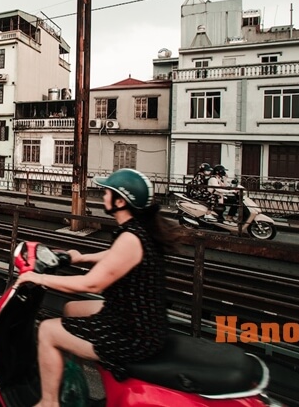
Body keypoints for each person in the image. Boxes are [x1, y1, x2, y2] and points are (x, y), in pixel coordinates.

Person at [15, 169, 182, 407]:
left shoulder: (130, 239)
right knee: (72, 309)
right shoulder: (139, 230)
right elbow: (115, 256)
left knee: (47, 330)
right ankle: (71, 382)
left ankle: (48, 402)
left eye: (106, 192)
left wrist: (38, 279)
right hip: (140, 318)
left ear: (120, 201)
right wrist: (81, 258)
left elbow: (91, 283)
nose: (102, 196)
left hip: (132, 334)